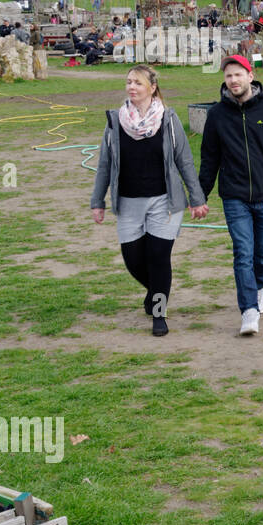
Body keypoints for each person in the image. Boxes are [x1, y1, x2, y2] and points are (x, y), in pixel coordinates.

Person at [90, 66, 209, 337]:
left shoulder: (168, 120)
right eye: (129, 82)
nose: (132, 87)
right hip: (129, 202)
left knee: (158, 257)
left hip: (164, 202)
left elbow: (185, 161)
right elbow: (104, 165)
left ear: (152, 87)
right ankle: (155, 290)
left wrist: (196, 198)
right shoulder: (115, 122)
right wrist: (97, 201)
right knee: (133, 259)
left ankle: (159, 312)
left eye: (138, 83)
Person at [198, 55, 263, 336]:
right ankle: (248, 311)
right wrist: (200, 195)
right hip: (234, 196)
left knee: (261, 254)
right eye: (228, 76)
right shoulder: (216, 115)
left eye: (238, 75)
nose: (233, 81)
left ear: (250, 76)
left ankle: (258, 287)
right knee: (242, 252)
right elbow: (209, 159)